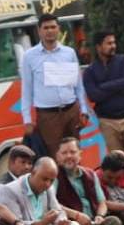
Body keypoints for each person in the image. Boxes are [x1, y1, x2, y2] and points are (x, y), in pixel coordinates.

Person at [20, 13, 90, 155]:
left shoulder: (69, 53)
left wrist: (83, 109)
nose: (50, 31)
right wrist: (27, 119)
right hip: (48, 116)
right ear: (39, 31)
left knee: (74, 154)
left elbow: (78, 85)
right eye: (46, 28)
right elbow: (26, 90)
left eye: (53, 27)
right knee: (54, 157)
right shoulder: (29, 56)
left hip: (71, 111)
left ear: (58, 29)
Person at [55, 138, 124, 225]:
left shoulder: (90, 174)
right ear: (58, 156)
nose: (68, 156)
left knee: (113, 221)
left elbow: (102, 202)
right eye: (64, 153)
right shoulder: (54, 176)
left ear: (80, 154)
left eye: (72, 152)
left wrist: (100, 216)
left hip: (93, 221)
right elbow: (52, 204)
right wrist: (76, 215)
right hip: (72, 222)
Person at [84, 31, 124, 153]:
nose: (113, 46)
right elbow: (93, 96)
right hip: (107, 122)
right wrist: (117, 86)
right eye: (109, 43)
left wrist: (102, 86)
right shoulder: (90, 71)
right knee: (118, 161)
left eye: (114, 42)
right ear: (98, 47)